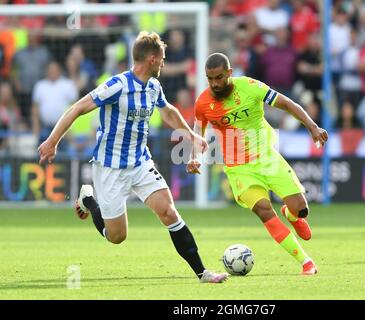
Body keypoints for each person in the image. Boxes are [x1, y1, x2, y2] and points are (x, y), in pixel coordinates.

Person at [38, 31, 228, 284]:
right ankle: (88, 199)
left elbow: (168, 111)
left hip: (141, 162)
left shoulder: (153, 86)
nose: (164, 63)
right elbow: (78, 108)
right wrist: (52, 141)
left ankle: (203, 273)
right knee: (116, 236)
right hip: (110, 167)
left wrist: (192, 136)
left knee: (169, 212)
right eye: (162, 59)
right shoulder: (117, 85)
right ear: (151, 58)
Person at [187, 53, 328, 275]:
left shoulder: (250, 86)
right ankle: (306, 262)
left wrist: (312, 126)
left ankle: (291, 215)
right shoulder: (203, 102)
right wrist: (194, 156)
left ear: (230, 73)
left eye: (219, 77)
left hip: (266, 157)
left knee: (300, 209)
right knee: (263, 210)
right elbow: (198, 132)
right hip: (239, 168)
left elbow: (286, 103)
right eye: (210, 78)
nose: (214, 83)